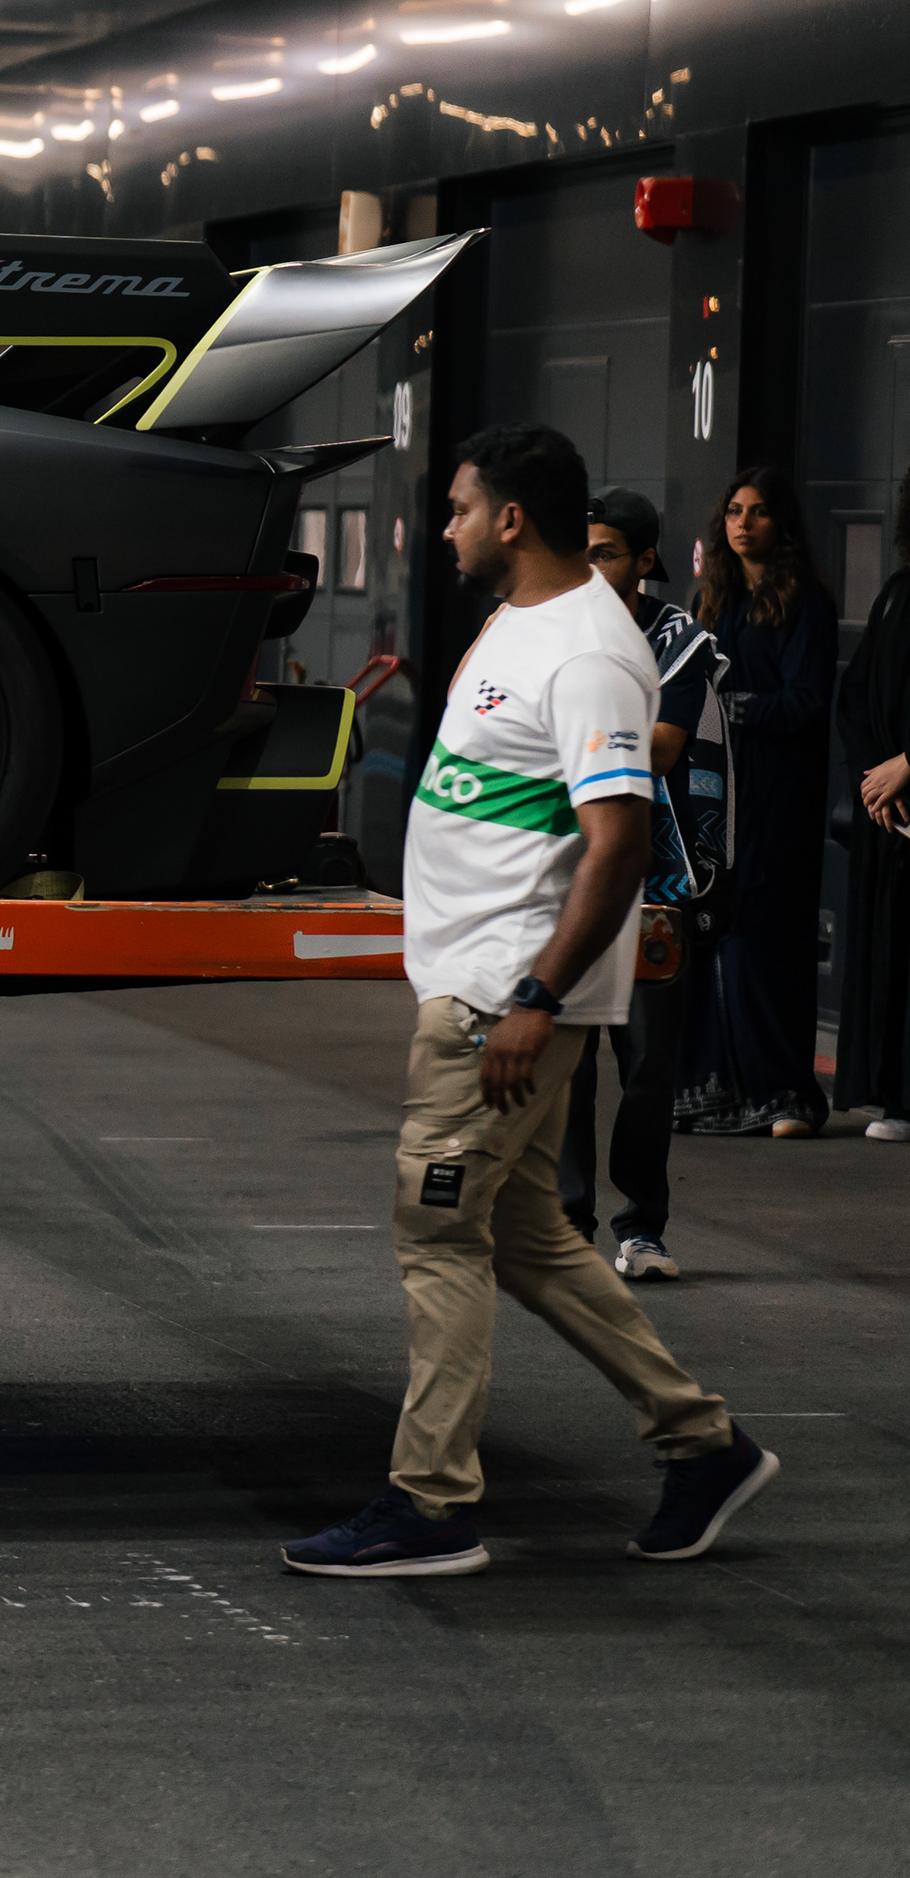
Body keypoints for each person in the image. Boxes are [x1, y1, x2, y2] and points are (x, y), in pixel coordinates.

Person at [280, 423, 775, 1579]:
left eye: (459, 507)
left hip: (498, 1002)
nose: (445, 526)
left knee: (436, 1228)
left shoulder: (591, 654)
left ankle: (431, 1500)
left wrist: (537, 997)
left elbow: (619, 841)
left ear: (510, 519)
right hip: (474, 984)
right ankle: (702, 1443)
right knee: (522, 1233)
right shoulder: (515, 621)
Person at [556, 491, 725, 1279]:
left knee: (648, 1067)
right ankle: (567, 1224)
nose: (590, 569)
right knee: (568, 1065)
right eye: (581, 554)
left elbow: (660, 748)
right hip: (564, 872)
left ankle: (641, 1228)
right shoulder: (548, 626)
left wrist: (568, 736)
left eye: (606, 554)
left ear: (645, 560)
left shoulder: (677, 639)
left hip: (656, 880)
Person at [684, 462, 834, 1138]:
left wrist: (735, 709)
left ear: (782, 523)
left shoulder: (805, 601)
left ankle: (783, 1093)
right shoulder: (711, 598)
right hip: (716, 788)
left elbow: (807, 701)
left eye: (759, 511)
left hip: (777, 793)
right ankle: (715, 1090)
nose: (743, 524)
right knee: (712, 930)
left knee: (766, 939)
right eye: (735, 512)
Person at [831, 469, 910, 1142]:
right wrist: (874, 782)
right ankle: (895, 1095)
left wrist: (907, 766)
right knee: (891, 952)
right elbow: (855, 698)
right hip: (891, 811)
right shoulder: (897, 592)